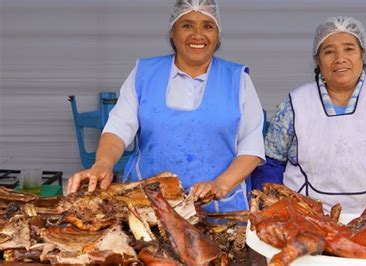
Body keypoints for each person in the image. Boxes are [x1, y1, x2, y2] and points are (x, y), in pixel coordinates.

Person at [67, 0, 265, 213]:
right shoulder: (145, 73)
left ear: (217, 34)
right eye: (187, 25)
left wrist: (220, 185)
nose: (197, 35)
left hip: (218, 208)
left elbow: (251, 147)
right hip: (148, 205)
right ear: (173, 31)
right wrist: (103, 163)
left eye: (207, 26)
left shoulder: (237, 79)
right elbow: (118, 127)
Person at [251, 16, 366, 213]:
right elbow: (270, 164)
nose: (340, 58)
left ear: (362, 54)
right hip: (306, 223)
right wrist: (271, 210)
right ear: (317, 60)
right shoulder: (295, 103)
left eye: (349, 49)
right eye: (329, 51)